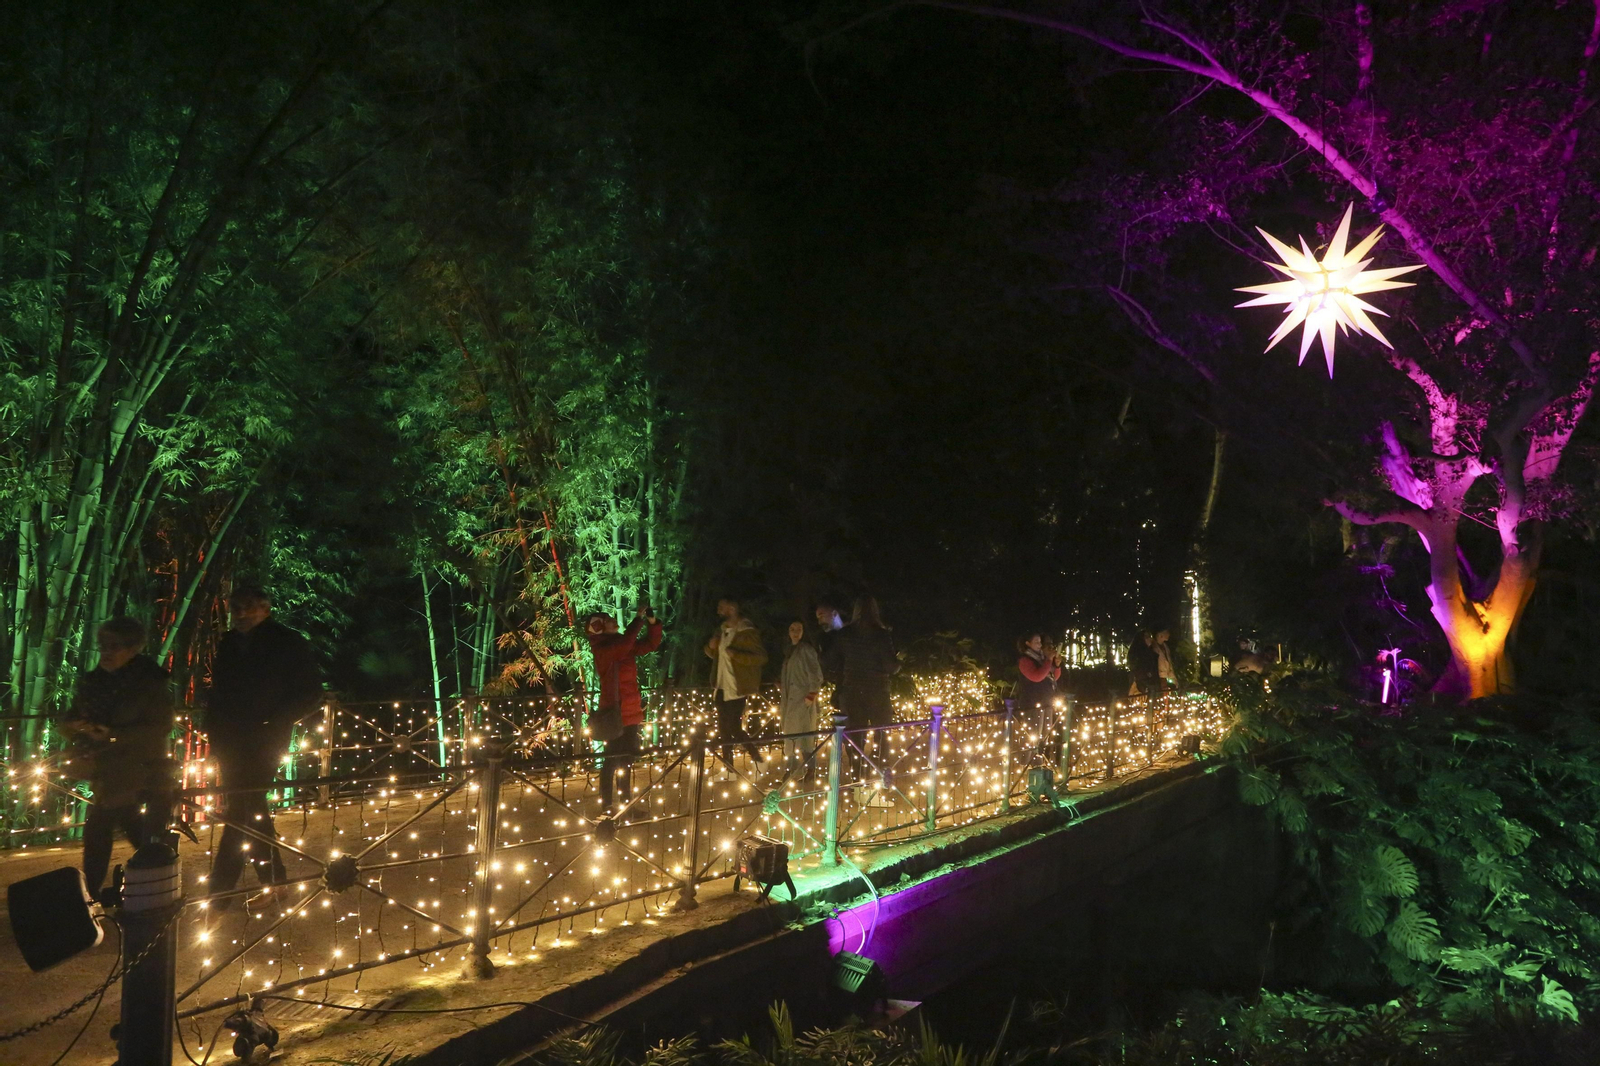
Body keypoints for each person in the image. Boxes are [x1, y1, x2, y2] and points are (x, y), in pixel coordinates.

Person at [205, 585, 322, 901]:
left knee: (244, 804)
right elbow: (218, 690)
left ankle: (221, 887)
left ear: (265, 608)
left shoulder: (287, 642)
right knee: (247, 806)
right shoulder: (229, 643)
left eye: (248, 606)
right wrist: (212, 729)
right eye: (236, 607)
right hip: (231, 737)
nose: (240, 613)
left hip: (266, 737)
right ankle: (273, 880)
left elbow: (312, 691)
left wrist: (279, 719)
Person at [64, 617, 175, 899]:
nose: (107, 652)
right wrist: (78, 727)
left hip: (142, 772)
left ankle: (95, 898)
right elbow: (67, 718)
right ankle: (99, 898)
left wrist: (112, 735)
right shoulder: (94, 682)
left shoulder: (149, 682)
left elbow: (159, 727)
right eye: (103, 646)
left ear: (134, 648)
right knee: (118, 835)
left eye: (116, 646)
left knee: (114, 834)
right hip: (106, 771)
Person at [586, 603, 663, 814]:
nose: (613, 620)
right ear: (601, 628)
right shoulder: (603, 649)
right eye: (609, 620)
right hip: (614, 713)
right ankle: (607, 806)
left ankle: (626, 804)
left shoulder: (621, 644)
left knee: (626, 759)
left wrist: (652, 622)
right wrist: (637, 620)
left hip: (631, 710)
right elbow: (627, 643)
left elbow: (650, 644)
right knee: (611, 759)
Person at [824, 596, 899, 775]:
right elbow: (891, 666)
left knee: (855, 737)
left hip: (852, 692)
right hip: (877, 691)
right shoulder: (881, 635)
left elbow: (828, 660)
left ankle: (857, 777)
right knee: (881, 736)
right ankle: (879, 775)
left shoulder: (845, 634)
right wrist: (898, 663)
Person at [704, 597, 767, 770]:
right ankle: (729, 767)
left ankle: (757, 758)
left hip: (737, 687)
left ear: (732, 609)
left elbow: (760, 658)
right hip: (721, 686)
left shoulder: (747, 632)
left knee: (734, 727)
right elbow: (716, 656)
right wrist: (710, 647)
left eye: (721, 607)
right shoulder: (722, 630)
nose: (718, 611)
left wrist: (737, 655)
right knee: (724, 729)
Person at [779, 621, 824, 779]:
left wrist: (812, 694)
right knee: (801, 735)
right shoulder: (791, 650)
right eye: (792, 629)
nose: (795, 632)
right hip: (792, 698)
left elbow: (815, 673)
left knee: (797, 735)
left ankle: (792, 770)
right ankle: (807, 770)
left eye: (799, 629)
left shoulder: (805, 649)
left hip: (802, 699)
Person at [1014, 632, 1061, 756]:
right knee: (1031, 736)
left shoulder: (1042, 659)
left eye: (1040, 642)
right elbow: (1037, 677)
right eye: (1036, 642)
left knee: (1044, 735)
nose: (1040, 645)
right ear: (1028, 644)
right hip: (1032, 703)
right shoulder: (1025, 660)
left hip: (1046, 702)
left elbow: (1054, 677)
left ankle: (1041, 763)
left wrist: (1056, 665)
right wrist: (1049, 660)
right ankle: (1027, 764)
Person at [1127, 630, 1159, 697]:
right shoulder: (1137, 652)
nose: (1150, 639)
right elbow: (1135, 666)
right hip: (1142, 681)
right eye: (1147, 637)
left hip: (1150, 681)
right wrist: (1147, 674)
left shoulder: (1150, 650)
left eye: (1150, 636)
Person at [1152, 629, 1177, 694]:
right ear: (1160, 635)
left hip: (1167, 676)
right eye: (1166, 632)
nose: (1168, 634)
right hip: (1160, 677)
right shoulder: (1153, 647)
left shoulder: (1165, 647)